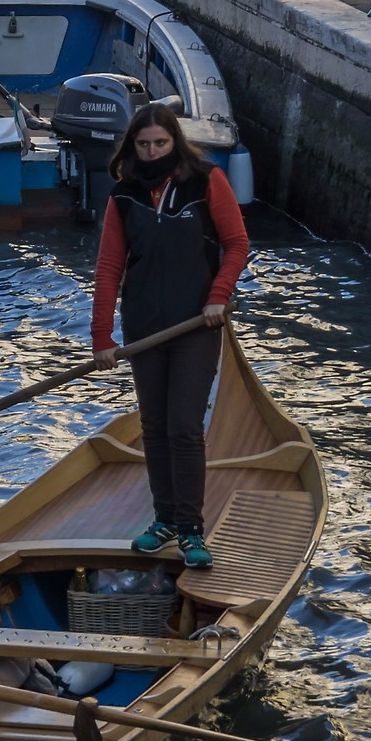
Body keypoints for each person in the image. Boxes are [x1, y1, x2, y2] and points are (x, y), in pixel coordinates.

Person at [90, 105, 250, 569]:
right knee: (154, 427)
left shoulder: (206, 182)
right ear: (132, 147)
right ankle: (163, 520)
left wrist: (219, 295)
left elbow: (237, 244)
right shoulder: (124, 195)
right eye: (143, 145)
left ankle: (191, 529)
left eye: (160, 143)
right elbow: (108, 268)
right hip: (144, 327)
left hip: (197, 323)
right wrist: (103, 335)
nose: (152, 151)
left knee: (183, 426)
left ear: (174, 142)